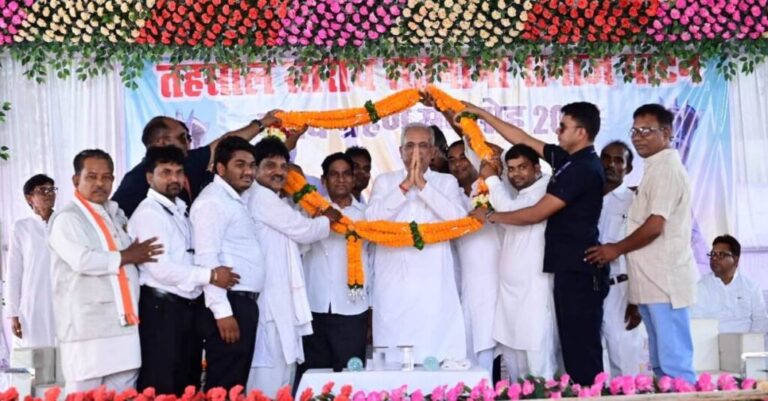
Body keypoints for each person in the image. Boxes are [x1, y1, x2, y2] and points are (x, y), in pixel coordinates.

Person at [463, 101, 606, 385]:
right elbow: (523, 138)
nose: (557, 130)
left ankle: (588, 394)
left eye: (563, 126)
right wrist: (481, 114)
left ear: (581, 132)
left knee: (578, 355)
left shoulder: (583, 168)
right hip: (564, 269)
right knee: (570, 352)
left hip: (579, 270)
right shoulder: (568, 160)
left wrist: (490, 214)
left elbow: (534, 215)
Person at [585, 104, 697, 383]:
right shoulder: (654, 169)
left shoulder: (666, 169)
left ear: (667, 133)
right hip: (649, 283)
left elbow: (655, 225)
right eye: (635, 130)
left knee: (675, 366)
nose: (638, 136)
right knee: (661, 366)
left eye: (646, 130)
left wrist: (615, 249)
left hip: (664, 282)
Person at [128, 146, 240, 394]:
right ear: (150, 177)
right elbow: (162, 270)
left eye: (179, 172)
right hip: (161, 311)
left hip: (184, 311)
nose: (174, 179)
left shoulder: (179, 208)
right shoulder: (149, 213)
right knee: (162, 385)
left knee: (186, 385)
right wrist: (211, 276)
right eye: (166, 172)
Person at [48, 149, 162, 392]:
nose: (100, 183)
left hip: (124, 325)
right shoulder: (67, 219)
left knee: (124, 393)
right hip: (87, 330)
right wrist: (128, 255)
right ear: (75, 180)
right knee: (84, 395)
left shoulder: (115, 214)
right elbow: (82, 260)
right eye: (91, 177)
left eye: (106, 177)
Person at [246, 138, 341, 396]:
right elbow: (302, 230)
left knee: (282, 376)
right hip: (269, 300)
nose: (279, 172)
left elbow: (298, 241)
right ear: (255, 168)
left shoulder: (277, 200)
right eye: (270, 165)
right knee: (267, 379)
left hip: (280, 299)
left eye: (283, 166)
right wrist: (327, 219)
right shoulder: (261, 197)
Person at [366, 123, 467, 362]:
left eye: (423, 146)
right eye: (410, 146)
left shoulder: (446, 182)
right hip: (393, 284)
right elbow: (371, 220)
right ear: (400, 151)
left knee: (436, 351)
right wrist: (405, 186)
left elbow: (458, 220)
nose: (416, 152)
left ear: (432, 152)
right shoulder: (384, 181)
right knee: (394, 356)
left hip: (433, 283)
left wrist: (422, 185)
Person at [472, 144, 558, 381]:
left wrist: (491, 180)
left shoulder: (545, 188)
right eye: (511, 169)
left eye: (522, 167)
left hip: (533, 291)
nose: (516, 174)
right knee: (515, 370)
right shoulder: (520, 191)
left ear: (537, 169)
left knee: (538, 367)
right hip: (510, 294)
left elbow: (513, 213)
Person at [190, 137, 265, 390]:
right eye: (240, 165)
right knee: (224, 385)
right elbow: (207, 259)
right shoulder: (213, 202)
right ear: (220, 168)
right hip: (230, 305)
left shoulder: (232, 199)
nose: (248, 172)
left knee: (235, 384)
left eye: (252, 165)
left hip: (241, 303)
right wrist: (223, 313)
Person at [114, 112, 281, 217]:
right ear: (162, 142)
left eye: (189, 138)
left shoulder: (188, 160)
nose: (188, 143)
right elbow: (116, 219)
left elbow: (225, 143)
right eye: (183, 138)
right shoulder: (136, 179)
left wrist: (262, 123)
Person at [298, 153, 369, 378]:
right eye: (334, 174)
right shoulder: (310, 211)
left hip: (353, 308)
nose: (341, 179)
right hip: (314, 306)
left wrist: (373, 308)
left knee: (350, 378)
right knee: (315, 377)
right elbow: (299, 247)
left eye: (346, 174)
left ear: (354, 179)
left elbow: (374, 262)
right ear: (324, 180)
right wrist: (319, 221)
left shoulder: (366, 216)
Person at [445, 140, 499, 373]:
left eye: (463, 157)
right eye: (452, 160)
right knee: (468, 352)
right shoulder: (450, 195)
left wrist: (464, 129)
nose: (458, 164)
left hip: (495, 282)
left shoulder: (493, 187)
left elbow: (497, 154)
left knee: (492, 350)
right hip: (465, 284)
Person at [597, 141, 648, 377]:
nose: (611, 164)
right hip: (587, 290)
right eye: (606, 158)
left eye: (618, 160)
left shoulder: (635, 202)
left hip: (622, 289)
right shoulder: (585, 199)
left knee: (623, 363)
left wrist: (637, 299)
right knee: (593, 365)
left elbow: (644, 250)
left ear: (628, 168)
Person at [5, 174, 57, 349]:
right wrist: (13, 313)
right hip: (34, 303)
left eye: (52, 189)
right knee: (38, 358)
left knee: (66, 357)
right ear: (29, 198)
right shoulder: (21, 228)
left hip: (63, 299)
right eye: (43, 190)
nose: (49, 194)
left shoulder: (65, 222)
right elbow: (14, 272)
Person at [691, 235, 768, 334]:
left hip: (745, 341)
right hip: (713, 342)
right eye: (713, 254)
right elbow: (697, 323)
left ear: (735, 260)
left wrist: (748, 341)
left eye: (721, 254)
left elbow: (761, 321)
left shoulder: (751, 287)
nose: (714, 258)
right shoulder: (700, 287)